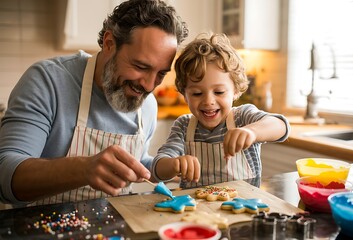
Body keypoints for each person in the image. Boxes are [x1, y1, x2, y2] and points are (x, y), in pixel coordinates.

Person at [0, 0, 188, 207]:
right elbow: (5, 175)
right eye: (140, 66)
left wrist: (169, 166)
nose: (149, 85)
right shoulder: (47, 81)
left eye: (161, 73)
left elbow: (137, 162)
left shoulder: (148, 104)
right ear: (109, 43)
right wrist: (82, 169)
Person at [151, 33, 290, 189]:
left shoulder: (243, 117)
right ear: (185, 94)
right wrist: (174, 164)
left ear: (236, 90)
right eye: (197, 93)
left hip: (244, 206)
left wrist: (252, 132)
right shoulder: (184, 126)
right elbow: (157, 169)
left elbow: (281, 126)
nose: (208, 101)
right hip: (196, 211)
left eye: (219, 92)